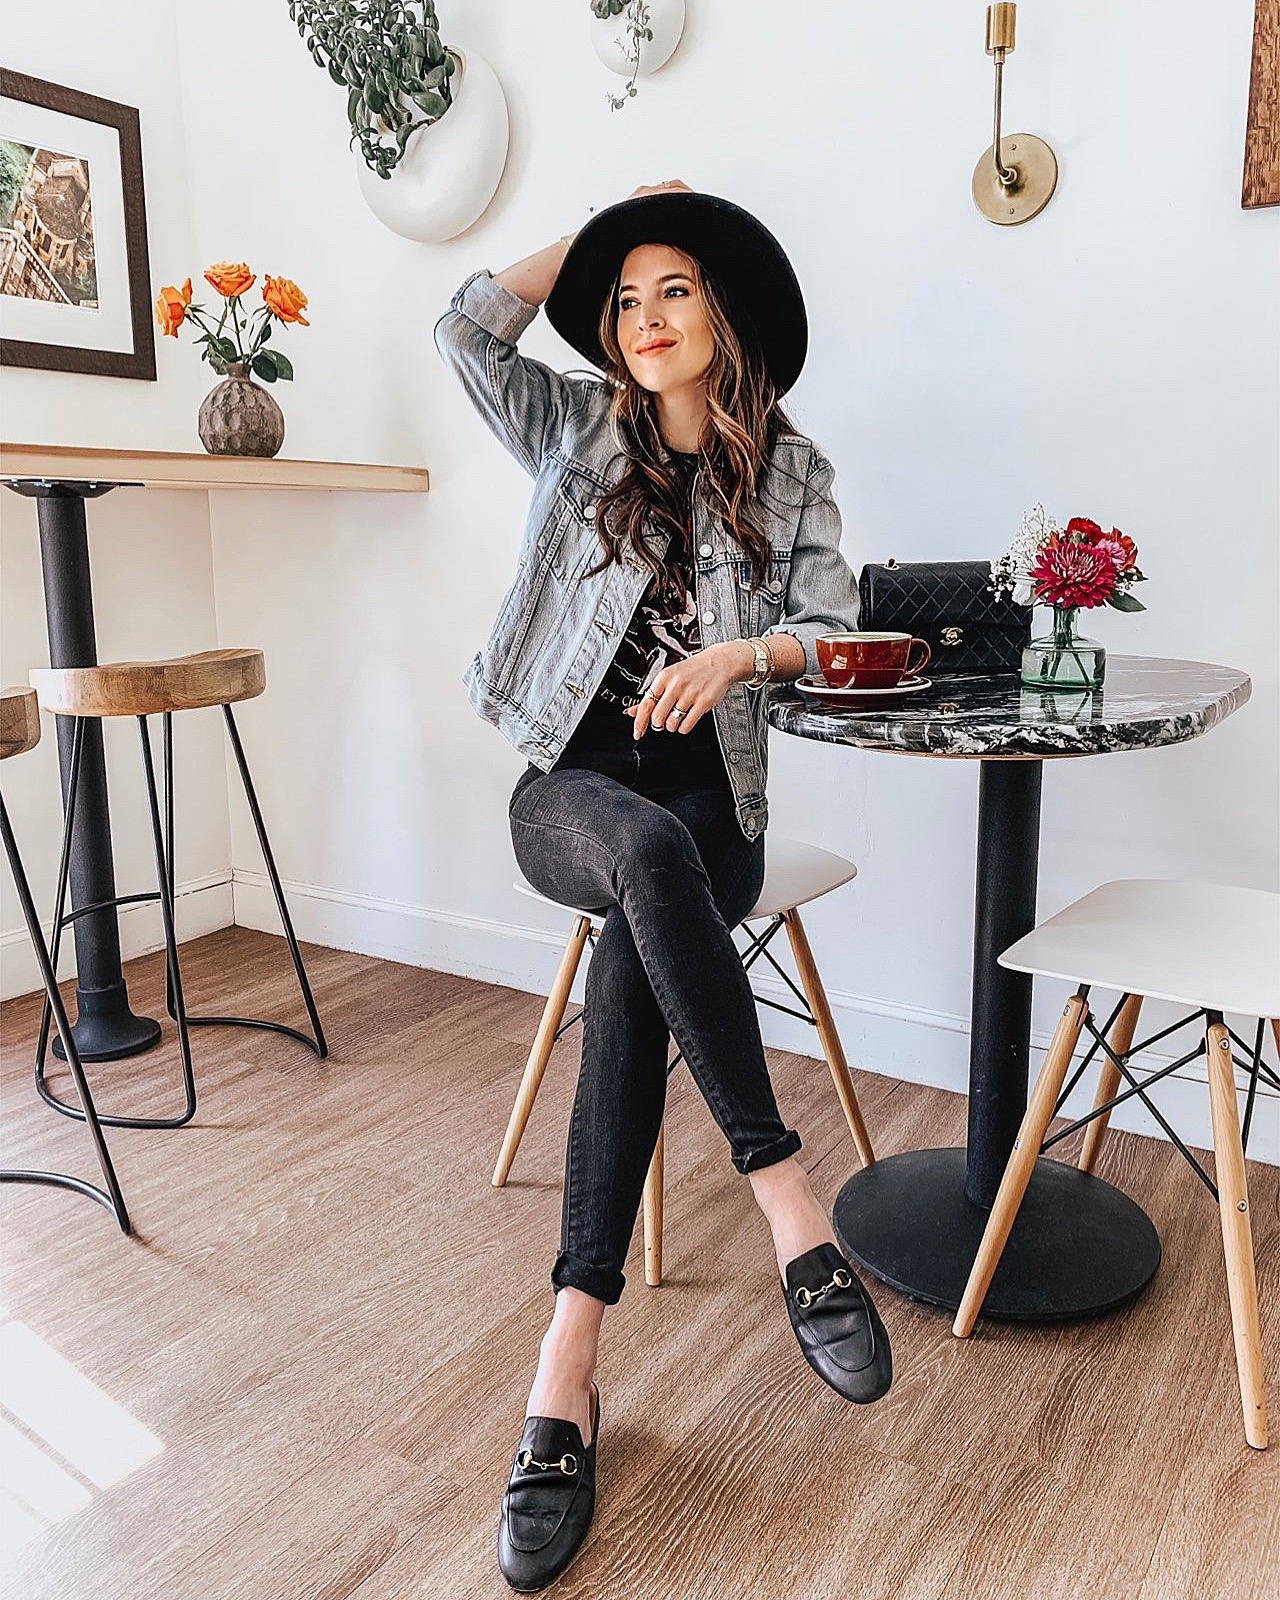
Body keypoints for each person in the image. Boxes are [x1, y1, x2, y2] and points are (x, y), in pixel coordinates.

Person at [434, 180, 893, 1593]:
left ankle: (565, 1362)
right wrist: (598, 232)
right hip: (566, 799)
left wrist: (741, 659)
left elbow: (835, 632)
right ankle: (786, 1195)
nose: (642, 319)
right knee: (638, 857)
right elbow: (463, 331)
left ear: (725, 311)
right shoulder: (576, 430)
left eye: (672, 288)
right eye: (624, 299)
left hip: (718, 809)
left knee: (660, 902)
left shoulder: (795, 473)